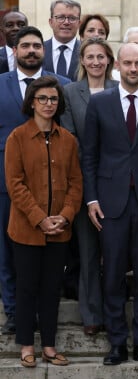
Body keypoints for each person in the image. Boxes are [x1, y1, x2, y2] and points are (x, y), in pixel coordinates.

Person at [83, 43, 138, 366]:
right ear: (117, 65)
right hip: (110, 202)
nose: (134, 68)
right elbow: (89, 155)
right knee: (113, 276)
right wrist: (91, 198)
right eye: (128, 63)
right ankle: (117, 343)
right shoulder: (100, 103)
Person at [5, 75, 82, 368]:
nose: (48, 104)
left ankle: (49, 345)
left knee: (51, 289)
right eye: (42, 99)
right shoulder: (17, 137)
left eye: (53, 99)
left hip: (60, 231)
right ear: (32, 103)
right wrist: (40, 219)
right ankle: (27, 345)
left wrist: (64, 216)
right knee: (27, 288)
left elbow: (76, 182)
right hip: (26, 230)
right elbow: (15, 184)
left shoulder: (68, 140)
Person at [0, 25, 70, 336]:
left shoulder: (62, 85)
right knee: (7, 252)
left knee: (46, 258)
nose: (31, 50)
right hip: (6, 185)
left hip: (53, 189)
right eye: (25, 45)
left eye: (36, 46)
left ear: (44, 50)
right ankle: (15, 312)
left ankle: (44, 317)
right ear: (13, 51)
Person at [60, 37, 117, 336]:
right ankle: (92, 314)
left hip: (119, 183)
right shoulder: (70, 92)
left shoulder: (120, 90)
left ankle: (114, 311)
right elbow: (70, 137)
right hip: (84, 183)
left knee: (116, 252)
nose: (95, 61)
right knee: (87, 251)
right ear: (82, 61)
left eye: (101, 56)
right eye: (90, 56)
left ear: (109, 60)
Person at [42, 0, 82, 81]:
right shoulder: (39, 50)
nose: (66, 22)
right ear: (51, 22)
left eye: (72, 18)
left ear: (79, 23)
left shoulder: (86, 50)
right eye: (60, 17)